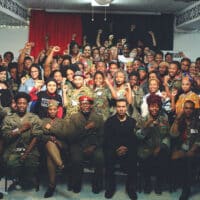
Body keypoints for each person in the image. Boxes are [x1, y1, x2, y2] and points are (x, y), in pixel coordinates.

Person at [1, 92, 42, 189]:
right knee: (11, 163)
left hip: (30, 149)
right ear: (16, 104)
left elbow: (37, 137)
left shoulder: (34, 118)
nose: (22, 105)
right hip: (13, 149)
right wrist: (20, 130)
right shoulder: (9, 118)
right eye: (19, 103)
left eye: (24, 103)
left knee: (31, 164)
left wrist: (26, 154)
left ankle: (26, 179)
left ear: (27, 104)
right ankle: (16, 179)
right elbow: (6, 135)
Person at [66, 95, 104, 194]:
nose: (85, 106)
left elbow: (102, 136)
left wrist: (94, 146)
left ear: (91, 105)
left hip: (94, 145)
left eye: (87, 104)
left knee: (100, 158)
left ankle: (97, 184)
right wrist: (86, 128)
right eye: (83, 104)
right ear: (80, 106)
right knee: (76, 160)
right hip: (78, 145)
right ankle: (76, 184)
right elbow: (71, 137)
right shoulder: (74, 117)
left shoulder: (98, 117)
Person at [104, 98, 138, 200]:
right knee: (108, 157)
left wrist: (126, 148)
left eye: (123, 106)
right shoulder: (110, 121)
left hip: (128, 149)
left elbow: (134, 139)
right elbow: (107, 138)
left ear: (126, 107)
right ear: (115, 108)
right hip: (114, 149)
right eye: (119, 107)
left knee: (133, 158)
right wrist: (116, 148)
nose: (121, 109)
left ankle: (130, 187)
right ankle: (111, 186)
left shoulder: (132, 121)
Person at [136, 94, 170, 195]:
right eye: (152, 106)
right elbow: (138, 136)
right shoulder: (143, 119)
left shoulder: (164, 119)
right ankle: (147, 183)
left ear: (159, 107)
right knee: (144, 158)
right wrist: (147, 125)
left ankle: (158, 184)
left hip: (160, 148)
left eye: (156, 106)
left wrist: (160, 147)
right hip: (146, 147)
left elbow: (168, 136)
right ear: (148, 106)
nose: (154, 108)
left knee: (162, 158)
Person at [170, 100, 200, 200]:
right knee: (173, 157)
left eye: (190, 108)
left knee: (188, 161)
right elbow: (173, 134)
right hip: (181, 148)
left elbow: (199, 139)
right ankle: (175, 182)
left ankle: (186, 189)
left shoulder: (197, 122)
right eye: (186, 108)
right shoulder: (180, 120)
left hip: (194, 149)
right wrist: (177, 119)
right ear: (183, 109)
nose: (188, 110)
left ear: (193, 110)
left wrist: (192, 150)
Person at [41, 100, 69, 198]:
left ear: (57, 110)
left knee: (50, 155)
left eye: (54, 109)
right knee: (49, 144)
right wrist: (50, 138)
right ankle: (61, 166)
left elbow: (64, 134)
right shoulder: (43, 120)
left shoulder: (62, 121)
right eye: (50, 109)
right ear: (48, 111)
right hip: (46, 146)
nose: (52, 111)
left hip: (61, 146)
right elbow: (40, 135)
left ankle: (51, 186)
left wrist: (50, 129)